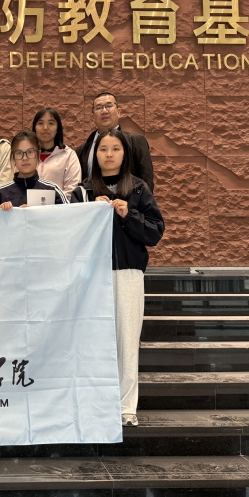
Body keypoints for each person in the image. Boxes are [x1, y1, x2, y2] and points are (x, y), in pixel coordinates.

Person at [71, 128, 164, 427]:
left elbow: (155, 232)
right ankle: (95, 403)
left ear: (125, 154)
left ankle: (126, 407)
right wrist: (89, 212)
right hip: (92, 276)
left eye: (115, 149)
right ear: (94, 155)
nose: (109, 155)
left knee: (126, 342)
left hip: (128, 275)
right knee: (93, 341)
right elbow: (70, 234)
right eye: (103, 149)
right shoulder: (82, 192)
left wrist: (129, 215)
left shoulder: (137, 189)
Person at [76, 93, 154, 191]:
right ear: (92, 116)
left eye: (109, 106)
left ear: (118, 111)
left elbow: (146, 183)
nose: (104, 111)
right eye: (99, 108)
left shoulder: (136, 142)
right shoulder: (82, 150)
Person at [0, 131, 68, 210]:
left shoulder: (52, 190)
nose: (25, 158)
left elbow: (69, 215)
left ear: (38, 154)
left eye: (30, 152)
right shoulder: (1, 193)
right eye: (19, 153)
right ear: (13, 157)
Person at [31, 107, 81, 201]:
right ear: (34, 128)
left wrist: (51, 203)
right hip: (27, 208)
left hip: (59, 208)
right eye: (40, 123)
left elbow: (72, 188)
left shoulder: (68, 155)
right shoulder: (27, 155)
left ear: (57, 129)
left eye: (51, 123)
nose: (45, 128)